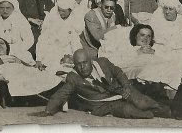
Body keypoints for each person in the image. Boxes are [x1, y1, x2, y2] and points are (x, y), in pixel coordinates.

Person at [31, 48, 169, 119]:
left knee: (142, 102)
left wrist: (127, 86)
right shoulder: (73, 77)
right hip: (104, 104)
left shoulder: (102, 62)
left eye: (85, 63)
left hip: (120, 90)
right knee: (130, 111)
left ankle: (164, 109)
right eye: (78, 65)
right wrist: (48, 111)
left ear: (90, 61)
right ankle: (152, 114)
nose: (82, 67)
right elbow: (61, 94)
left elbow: (118, 72)